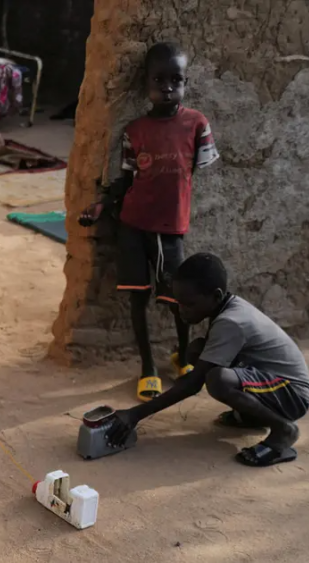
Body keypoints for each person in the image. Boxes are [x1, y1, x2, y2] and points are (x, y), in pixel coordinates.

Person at [78, 42, 219, 402]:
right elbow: (127, 178)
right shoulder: (135, 130)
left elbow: (195, 169)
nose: (167, 87)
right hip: (134, 225)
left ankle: (181, 356)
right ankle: (148, 368)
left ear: (186, 82)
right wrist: (102, 205)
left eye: (176, 80)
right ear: (146, 83)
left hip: (171, 228)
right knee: (138, 298)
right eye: (159, 79)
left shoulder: (197, 125)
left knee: (178, 299)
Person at [104, 253, 309, 467]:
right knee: (197, 351)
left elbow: (193, 384)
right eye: (179, 302)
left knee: (218, 379)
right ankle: (252, 417)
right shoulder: (226, 307)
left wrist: (135, 414)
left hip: (292, 394)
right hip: (274, 385)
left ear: (216, 296)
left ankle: (283, 430)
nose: (181, 310)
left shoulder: (231, 322)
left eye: (189, 304)